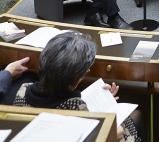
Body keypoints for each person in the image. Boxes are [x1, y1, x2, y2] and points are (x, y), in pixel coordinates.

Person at [13, 31, 141, 142]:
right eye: (85, 72)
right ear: (76, 81)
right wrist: (112, 136)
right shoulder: (77, 109)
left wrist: (104, 99)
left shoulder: (23, 89)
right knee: (134, 119)